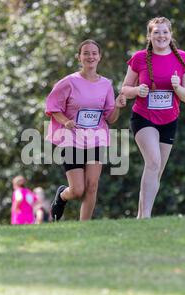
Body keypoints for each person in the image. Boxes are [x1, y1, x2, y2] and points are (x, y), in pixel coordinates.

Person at [121, 17, 185, 218]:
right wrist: (138, 89)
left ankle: (141, 217)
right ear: (149, 36)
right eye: (156, 32)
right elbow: (124, 89)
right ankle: (145, 216)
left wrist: (177, 87)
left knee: (156, 170)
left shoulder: (182, 58)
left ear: (171, 34)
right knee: (153, 162)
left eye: (165, 32)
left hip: (169, 121)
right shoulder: (139, 58)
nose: (161, 36)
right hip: (143, 118)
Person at [46, 39, 126, 222]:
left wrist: (118, 106)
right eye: (86, 53)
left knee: (92, 186)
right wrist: (65, 122)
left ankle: (84, 228)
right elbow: (53, 107)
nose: (90, 56)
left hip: (96, 138)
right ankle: (62, 196)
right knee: (77, 190)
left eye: (94, 53)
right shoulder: (69, 82)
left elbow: (110, 118)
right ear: (79, 57)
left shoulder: (106, 84)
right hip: (72, 139)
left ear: (100, 57)